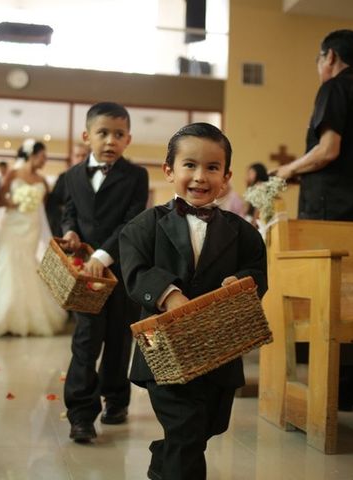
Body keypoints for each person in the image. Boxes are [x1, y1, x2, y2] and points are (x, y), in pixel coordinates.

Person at [119, 123, 267, 480]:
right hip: (165, 350)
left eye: (212, 168)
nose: (200, 177)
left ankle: (163, 458)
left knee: (207, 427)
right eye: (190, 165)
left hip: (219, 351)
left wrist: (242, 284)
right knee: (186, 430)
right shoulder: (146, 225)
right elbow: (135, 269)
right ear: (169, 171)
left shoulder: (241, 230)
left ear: (226, 175)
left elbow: (257, 271)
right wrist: (170, 296)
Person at [274, 29, 353, 411]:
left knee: (324, 297)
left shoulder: (335, 89)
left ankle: (329, 389)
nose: (319, 67)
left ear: (331, 56)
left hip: (327, 210)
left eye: (319, 60)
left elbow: (327, 150)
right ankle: (352, 387)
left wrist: (286, 170)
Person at [60, 102, 149, 442]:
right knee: (85, 339)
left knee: (117, 338)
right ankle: (80, 413)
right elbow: (69, 212)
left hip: (122, 269)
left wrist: (104, 253)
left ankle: (115, 398)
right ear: (87, 136)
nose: (110, 140)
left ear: (128, 139)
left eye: (118, 134)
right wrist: (69, 231)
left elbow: (131, 221)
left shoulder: (136, 176)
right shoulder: (71, 176)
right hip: (86, 274)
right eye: (103, 133)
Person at [0, 139, 67, 336]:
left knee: (28, 263)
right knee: (8, 263)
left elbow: (46, 205)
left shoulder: (42, 181)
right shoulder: (12, 174)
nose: (44, 161)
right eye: (42, 157)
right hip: (12, 225)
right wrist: (13, 202)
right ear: (32, 155)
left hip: (32, 226)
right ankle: (3, 313)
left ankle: (27, 312)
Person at [46, 142, 90, 237]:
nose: (81, 158)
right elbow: (53, 203)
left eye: (84, 155)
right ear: (72, 158)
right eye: (77, 155)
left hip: (87, 229)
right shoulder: (63, 177)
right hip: (64, 226)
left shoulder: (93, 178)